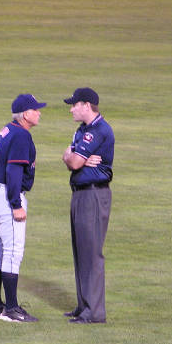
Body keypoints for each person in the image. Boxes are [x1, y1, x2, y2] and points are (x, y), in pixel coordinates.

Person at [0, 94, 46, 323]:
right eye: (36, 109)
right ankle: (10, 309)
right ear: (25, 114)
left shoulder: (7, 130)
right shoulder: (21, 135)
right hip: (6, 195)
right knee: (12, 251)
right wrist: (16, 204)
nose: (39, 112)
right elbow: (14, 171)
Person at [62, 87, 115, 324]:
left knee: (91, 254)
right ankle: (84, 305)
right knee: (81, 251)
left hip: (93, 196)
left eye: (74, 105)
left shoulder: (99, 131)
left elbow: (73, 162)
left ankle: (93, 312)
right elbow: (70, 159)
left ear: (86, 105)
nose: (71, 109)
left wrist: (72, 157)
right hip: (81, 194)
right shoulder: (82, 130)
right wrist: (72, 156)